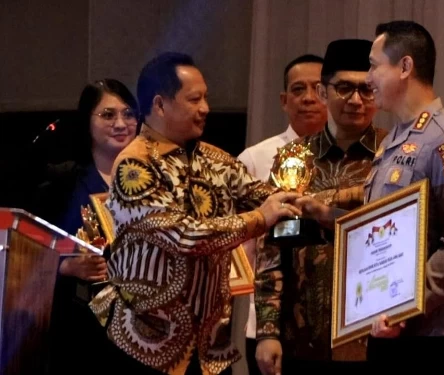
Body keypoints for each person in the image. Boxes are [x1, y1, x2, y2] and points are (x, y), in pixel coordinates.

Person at [88, 52, 303, 375]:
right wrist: (260, 218)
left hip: (207, 349)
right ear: (160, 105)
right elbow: (183, 236)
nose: (206, 108)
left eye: (205, 98)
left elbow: (268, 197)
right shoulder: (135, 165)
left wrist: (316, 205)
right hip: (144, 345)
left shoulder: (214, 159)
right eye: (195, 99)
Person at [295, 20, 444, 374]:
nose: (368, 78)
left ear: (405, 67)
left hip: (431, 335)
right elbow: (383, 227)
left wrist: (407, 306)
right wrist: (328, 214)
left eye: (374, 65)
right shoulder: (397, 139)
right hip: (387, 328)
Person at [254, 39, 386, 375]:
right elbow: (273, 247)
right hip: (302, 338)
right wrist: (268, 332)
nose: (356, 100)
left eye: (366, 89)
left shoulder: (394, 154)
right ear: (324, 92)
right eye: (344, 88)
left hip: (377, 334)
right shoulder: (293, 160)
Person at [30, 78, 139, 374]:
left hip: (142, 326)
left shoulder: (153, 181)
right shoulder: (62, 184)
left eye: (129, 113)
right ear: (86, 121)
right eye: (108, 115)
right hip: (79, 325)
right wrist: (65, 267)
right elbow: (26, 253)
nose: (121, 123)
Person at [237, 53, 327, 375]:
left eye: (318, 88)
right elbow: (240, 244)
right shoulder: (254, 158)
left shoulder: (349, 159)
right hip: (267, 328)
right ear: (283, 99)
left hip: (331, 324)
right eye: (298, 89)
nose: (308, 98)